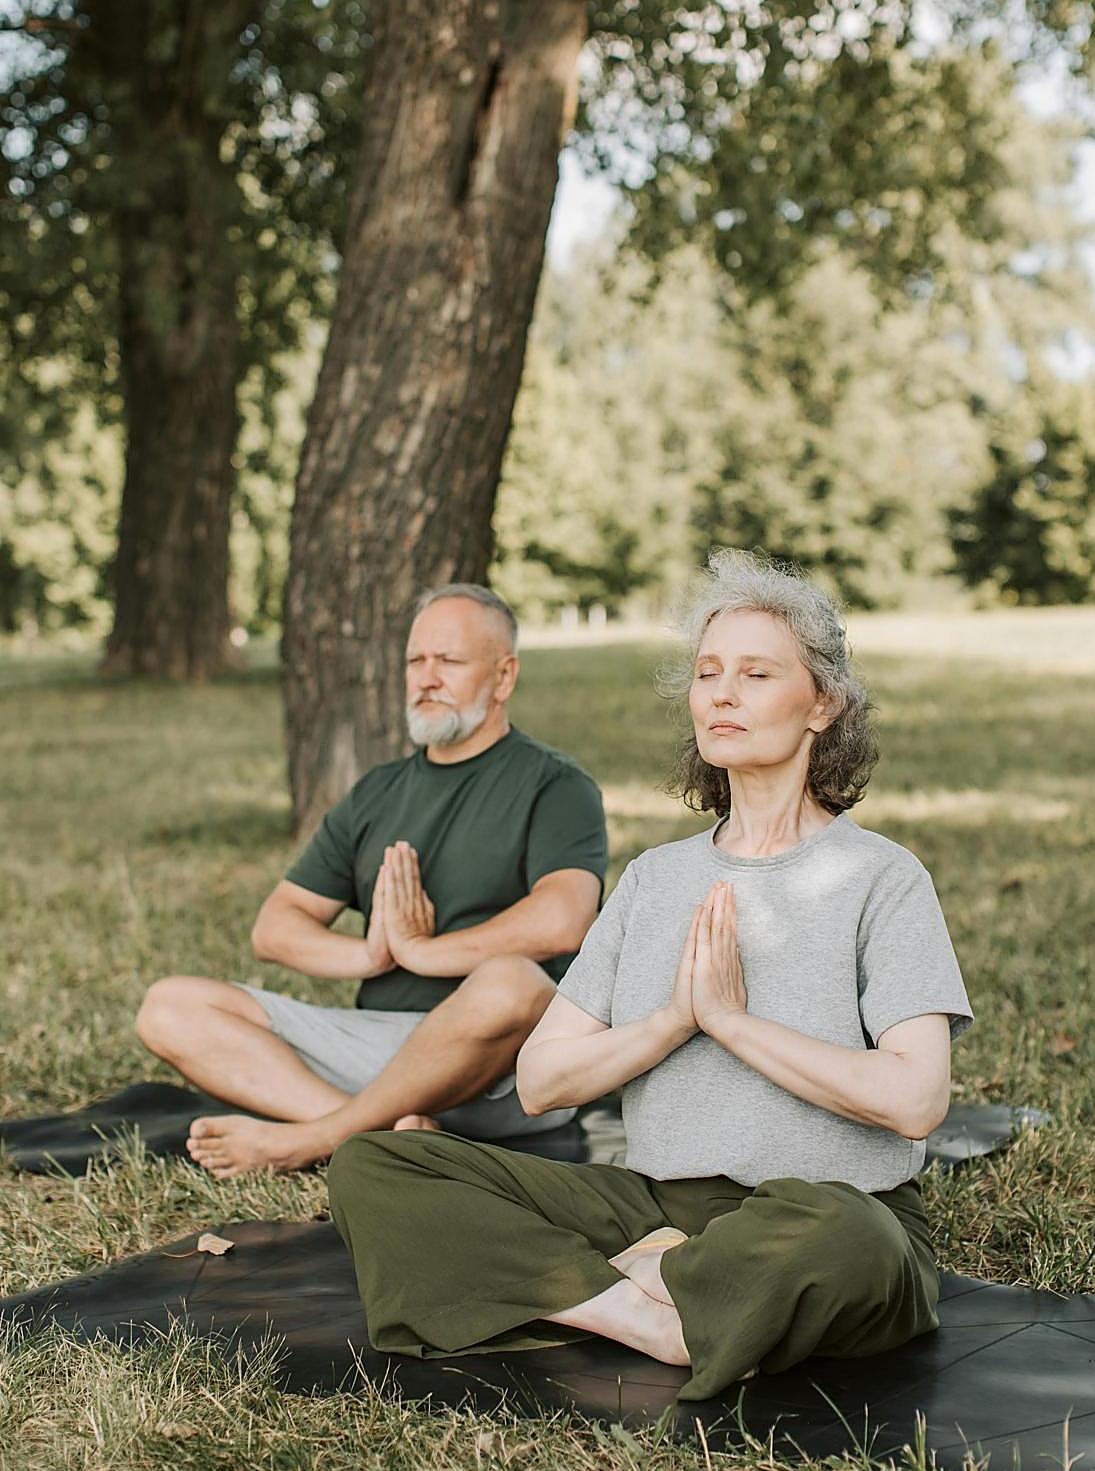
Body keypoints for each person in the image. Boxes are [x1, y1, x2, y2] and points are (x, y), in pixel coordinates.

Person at [327, 549, 974, 1401]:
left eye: (755, 674)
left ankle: (626, 1285)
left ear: (823, 703)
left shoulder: (881, 878)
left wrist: (732, 1022)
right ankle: (644, 1313)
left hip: (827, 1210)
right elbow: (541, 1081)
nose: (722, 695)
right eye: (708, 673)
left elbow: (916, 1100)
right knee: (376, 1165)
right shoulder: (655, 880)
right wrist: (673, 1020)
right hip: (656, 1210)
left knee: (854, 1241)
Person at [134, 584, 607, 1179]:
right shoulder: (377, 793)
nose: (426, 678)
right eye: (415, 660)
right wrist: (372, 955)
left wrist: (424, 951)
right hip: (381, 1054)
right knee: (169, 1006)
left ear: (503, 676)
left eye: (449, 661)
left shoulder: (555, 784)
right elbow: (275, 929)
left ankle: (311, 1140)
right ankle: (387, 1137)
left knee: (514, 983)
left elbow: (564, 920)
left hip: (505, 1068)